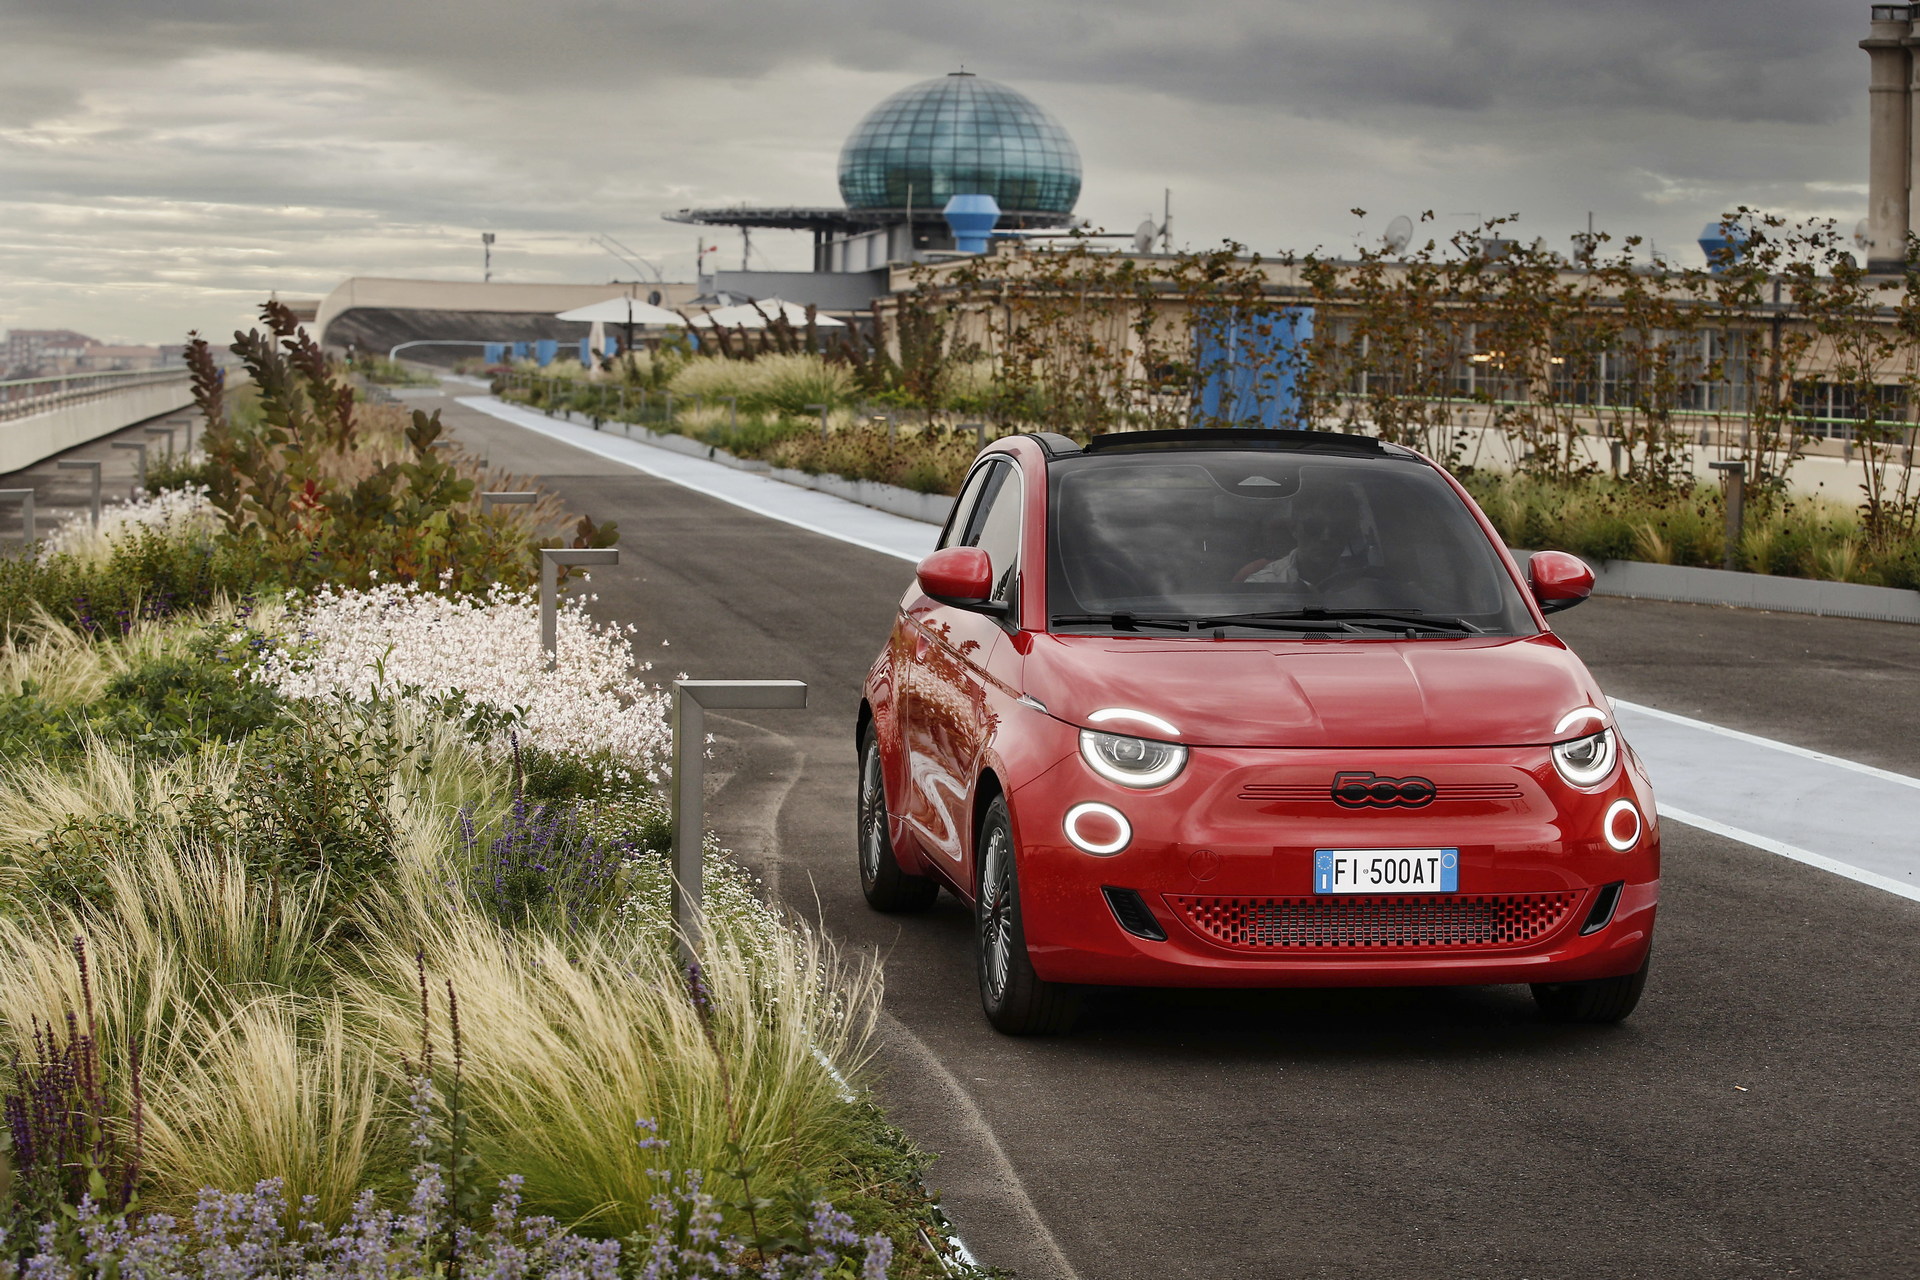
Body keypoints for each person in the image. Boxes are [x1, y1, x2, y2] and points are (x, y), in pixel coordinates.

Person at [1235, 486, 1376, 590]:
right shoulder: (1263, 585)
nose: (1325, 537)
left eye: (1338, 528)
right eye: (1313, 527)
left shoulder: (1368, 587)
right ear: (1293, 529)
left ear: (1350, 532)